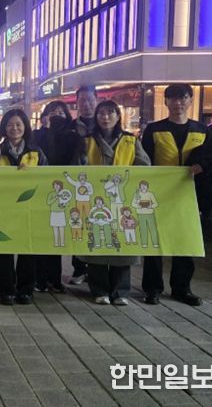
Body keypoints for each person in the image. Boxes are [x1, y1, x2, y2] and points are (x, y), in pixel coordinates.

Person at [140, 84, 207, 307]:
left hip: (188, 195)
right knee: (154, 242)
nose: (178, 103)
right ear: (166, 102)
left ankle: (181, 289)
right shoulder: (154, 129)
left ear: (190, 100)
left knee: (184, 242)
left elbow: (210, 156)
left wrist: (202, 166)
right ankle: (152, 289)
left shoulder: (202, 130)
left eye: (183, 98)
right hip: (158, 194)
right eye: (173, 98)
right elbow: (145, 161)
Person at [77, 100, 149, 305]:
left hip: (122, 200)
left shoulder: (130, 140)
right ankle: (99, 289)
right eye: (101, 113)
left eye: (110, 113)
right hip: (95, 200)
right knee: (97, 241)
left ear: (118, 116)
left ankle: (121, 291)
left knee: (123, 244)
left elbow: (144, 165)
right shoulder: (86, 141)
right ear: (96, 117)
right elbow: (77, 167)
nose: (105, 117)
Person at [0, 108, 46, 305]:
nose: (14, 128)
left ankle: (26, 290)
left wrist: (32, 174)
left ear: (25, 127)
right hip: (4, 208)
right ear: (3, 128)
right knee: (5, 250)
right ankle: (6, 290)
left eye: (18, 124)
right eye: (10, 125)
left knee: (28, 249)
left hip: (29, 208)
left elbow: (47, 176)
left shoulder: (36, 152)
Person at [32, 100, 84, 293]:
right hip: (40, 190)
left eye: (61, 113)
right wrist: (46, 130)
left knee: (56, 237)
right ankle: (39, 279)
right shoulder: (37, 135)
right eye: (52, 112)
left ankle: (54, 279)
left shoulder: (73, 136)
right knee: (40, 235)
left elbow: (76, 160)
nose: (57, 116)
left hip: (62, 190)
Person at [68, 85, 97, 284]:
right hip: (77, 183)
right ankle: (78, 269)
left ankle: (95, 270)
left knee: (96, 226)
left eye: (90, 100)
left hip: (99, 184)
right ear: (77, 103)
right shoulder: (70, 127)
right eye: (82, 101)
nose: (86, 104)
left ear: (96, 100)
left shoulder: (104, 124)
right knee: (77, 225)